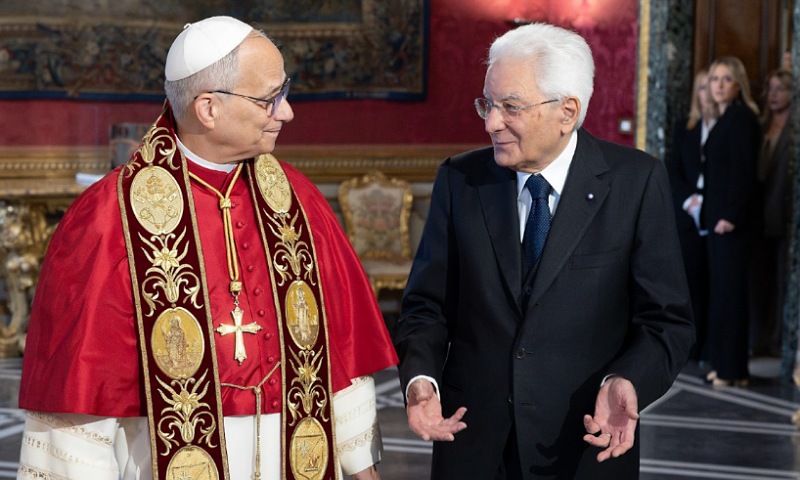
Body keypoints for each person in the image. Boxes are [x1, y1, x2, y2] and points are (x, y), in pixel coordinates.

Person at [17, 16, 397, 480]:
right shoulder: (106, 219)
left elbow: (340, 347)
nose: (287, 111)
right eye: (269, 98)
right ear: (208, 109)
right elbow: (77, 397)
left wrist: (361, 467)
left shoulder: (299, 201)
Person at [394, 22, 695, 479]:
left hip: (584, 445)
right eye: (488, 104)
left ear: (567, 112)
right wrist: (421, 379)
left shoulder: (635, 182)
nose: (491, 122)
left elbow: (665, 321)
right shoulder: (461, 179)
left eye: (510, 107)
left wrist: (628, 380)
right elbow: (425, 307)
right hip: (471, 444)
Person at [702, 56, 761, 387]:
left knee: (731, 295)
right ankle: (725, 365)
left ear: (738, 84)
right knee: (722, 293)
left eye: (726, 79)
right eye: (715, 79)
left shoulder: (741, 119)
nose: (719, 85)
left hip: (730, 223)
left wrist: (730, 216)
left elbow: (743, 173)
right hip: (717, 220)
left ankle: (732, 369)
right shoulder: (725, 118)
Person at [666, 70, 717, 363]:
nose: (707, 92)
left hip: (716, 214)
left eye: (709, 86)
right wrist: (688, 201)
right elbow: (672, 169)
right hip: (688, 215)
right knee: (691, 282)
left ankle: (712, 346)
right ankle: (692, 347)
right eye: (701, 87)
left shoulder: (726, 127)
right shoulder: (686, 128)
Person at [749, 69, 793, 357]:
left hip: (785, 216)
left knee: (783, 283)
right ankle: (759, 339)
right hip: (757, 215)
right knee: (758, 282)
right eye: (770, 88)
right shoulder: (759, 124)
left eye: (781, 88)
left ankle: (780, 341)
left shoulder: (794, 129)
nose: (774, 94)